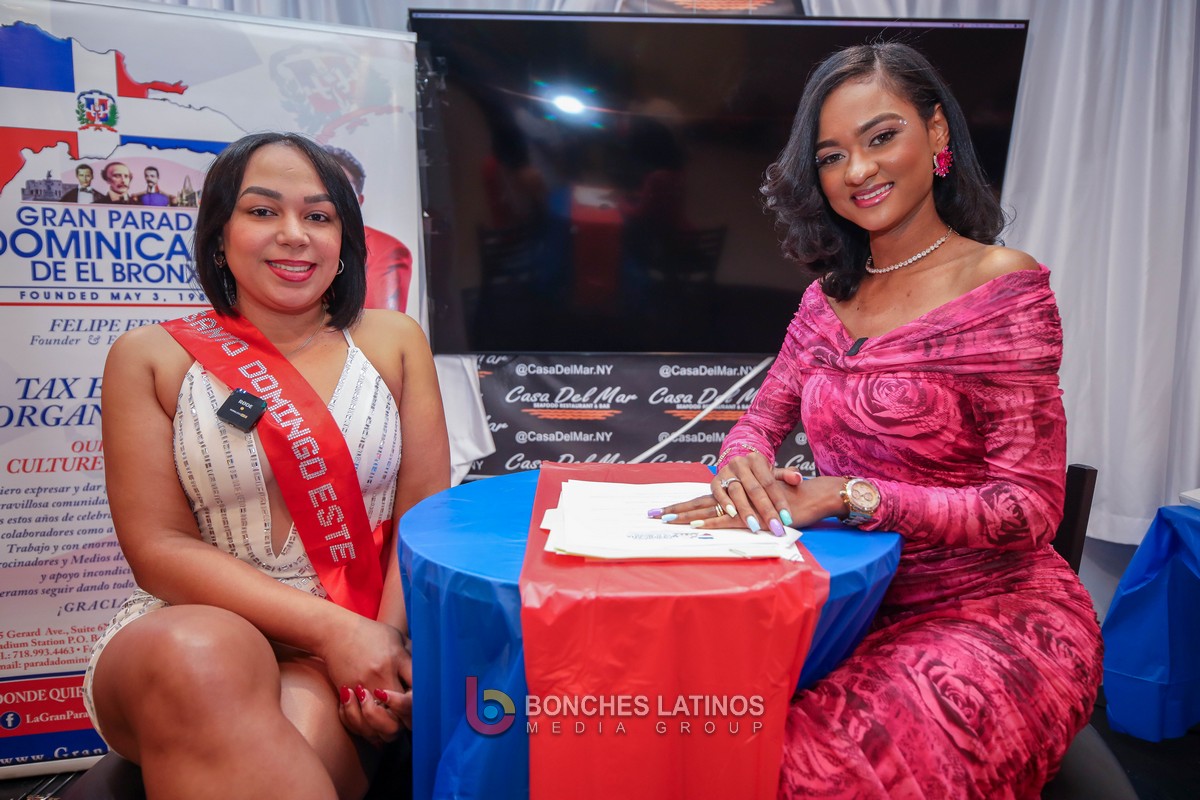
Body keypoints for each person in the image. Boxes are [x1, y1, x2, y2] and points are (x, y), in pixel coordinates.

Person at [654, 43, 1103, 798]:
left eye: (881, 137)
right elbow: (759, 421)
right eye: (831, 156)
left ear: (937, 133)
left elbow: (1028, 509)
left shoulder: (1002, 287)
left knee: (802, 774)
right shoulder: (826, 297)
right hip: (845, 601)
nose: (857, 170)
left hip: (989, 617)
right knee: (671, 725)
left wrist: (846, 495)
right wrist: (742, 464)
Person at [82, 132, 451, 799]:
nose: (294, 234)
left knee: (293, 742)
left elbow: (422, 519)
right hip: (183, 625)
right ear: (219, 235)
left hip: (349, 641)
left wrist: (381, 646)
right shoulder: (150, 357)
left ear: (345, 239)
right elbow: (158, 546)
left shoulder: (393, 341)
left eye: (318, 215)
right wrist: (337, 631)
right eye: (262, 211)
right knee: (201, 652)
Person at [321, 145, 413, 312]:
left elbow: (381, 320)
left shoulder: (388, 250)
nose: (331, 198)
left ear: (359, 201)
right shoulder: (291, 240)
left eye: (342, 190)